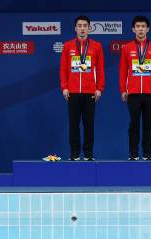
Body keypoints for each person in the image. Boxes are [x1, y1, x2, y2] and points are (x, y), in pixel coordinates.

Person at [60, 15, 105, 161]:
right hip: (72, 92)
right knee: (73, 124)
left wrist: (99, 88)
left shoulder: (96, 46)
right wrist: (64, 87)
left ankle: (88, 154)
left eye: (85, 25)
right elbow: (63, 69)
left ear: (89, 28)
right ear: (75, 28)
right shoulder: (67, 46)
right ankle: (74, 154)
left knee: (88, 125)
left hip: (89, 92)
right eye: (79, 26)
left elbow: (100, 69)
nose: (82, 28)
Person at [119, 16, 151, 161]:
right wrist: (123, 90)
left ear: (148, 29)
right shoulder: (126, 48)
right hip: (133, 93)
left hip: (150, 93)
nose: (140, 29)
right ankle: (133, 154)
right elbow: (123, 71)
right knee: (134, 125)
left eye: (143, 26)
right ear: (133, 29)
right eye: (138, 26)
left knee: (148, 125)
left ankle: (147, 153)